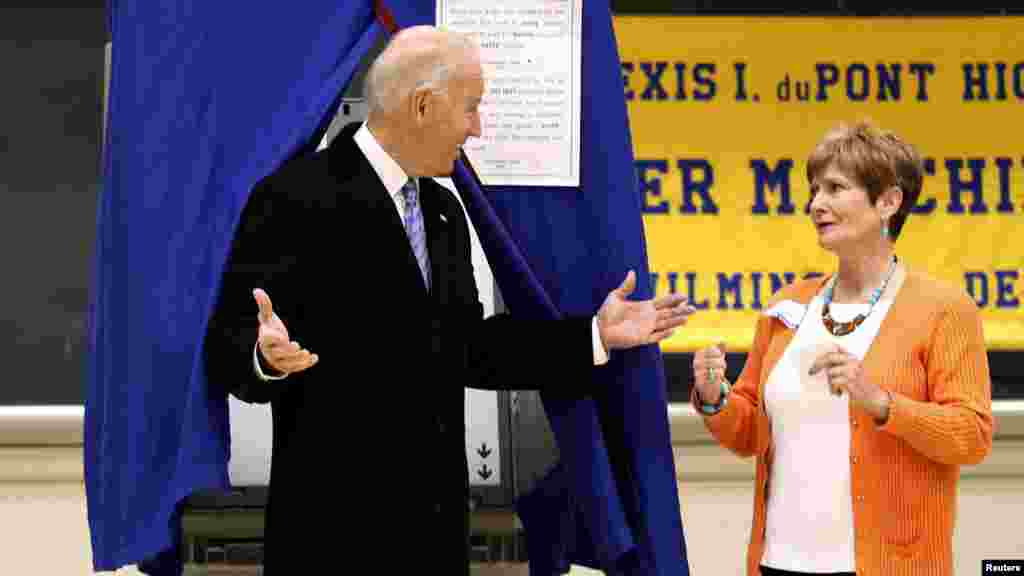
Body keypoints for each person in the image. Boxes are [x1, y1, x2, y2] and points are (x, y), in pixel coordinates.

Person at [204, 26, 695, 574]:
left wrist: (594, 335)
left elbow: (470, 347)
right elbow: (229, 349)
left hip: (433, 538)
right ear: (421, 105)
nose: (477, 128)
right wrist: (264, 358)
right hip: (332, 539)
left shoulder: (442, 211)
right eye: (471, 108)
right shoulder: (294, 197)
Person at [690, 120, 993, 576]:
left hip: (887, 565)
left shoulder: (944, 309)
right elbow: (751, 431)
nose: (816, 204)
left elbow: (972, 436)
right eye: (814, 190)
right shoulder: (788, 304)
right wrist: (716, 399)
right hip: (778, 562)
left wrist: (881, 402)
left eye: (835, 188)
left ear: (889, 202)